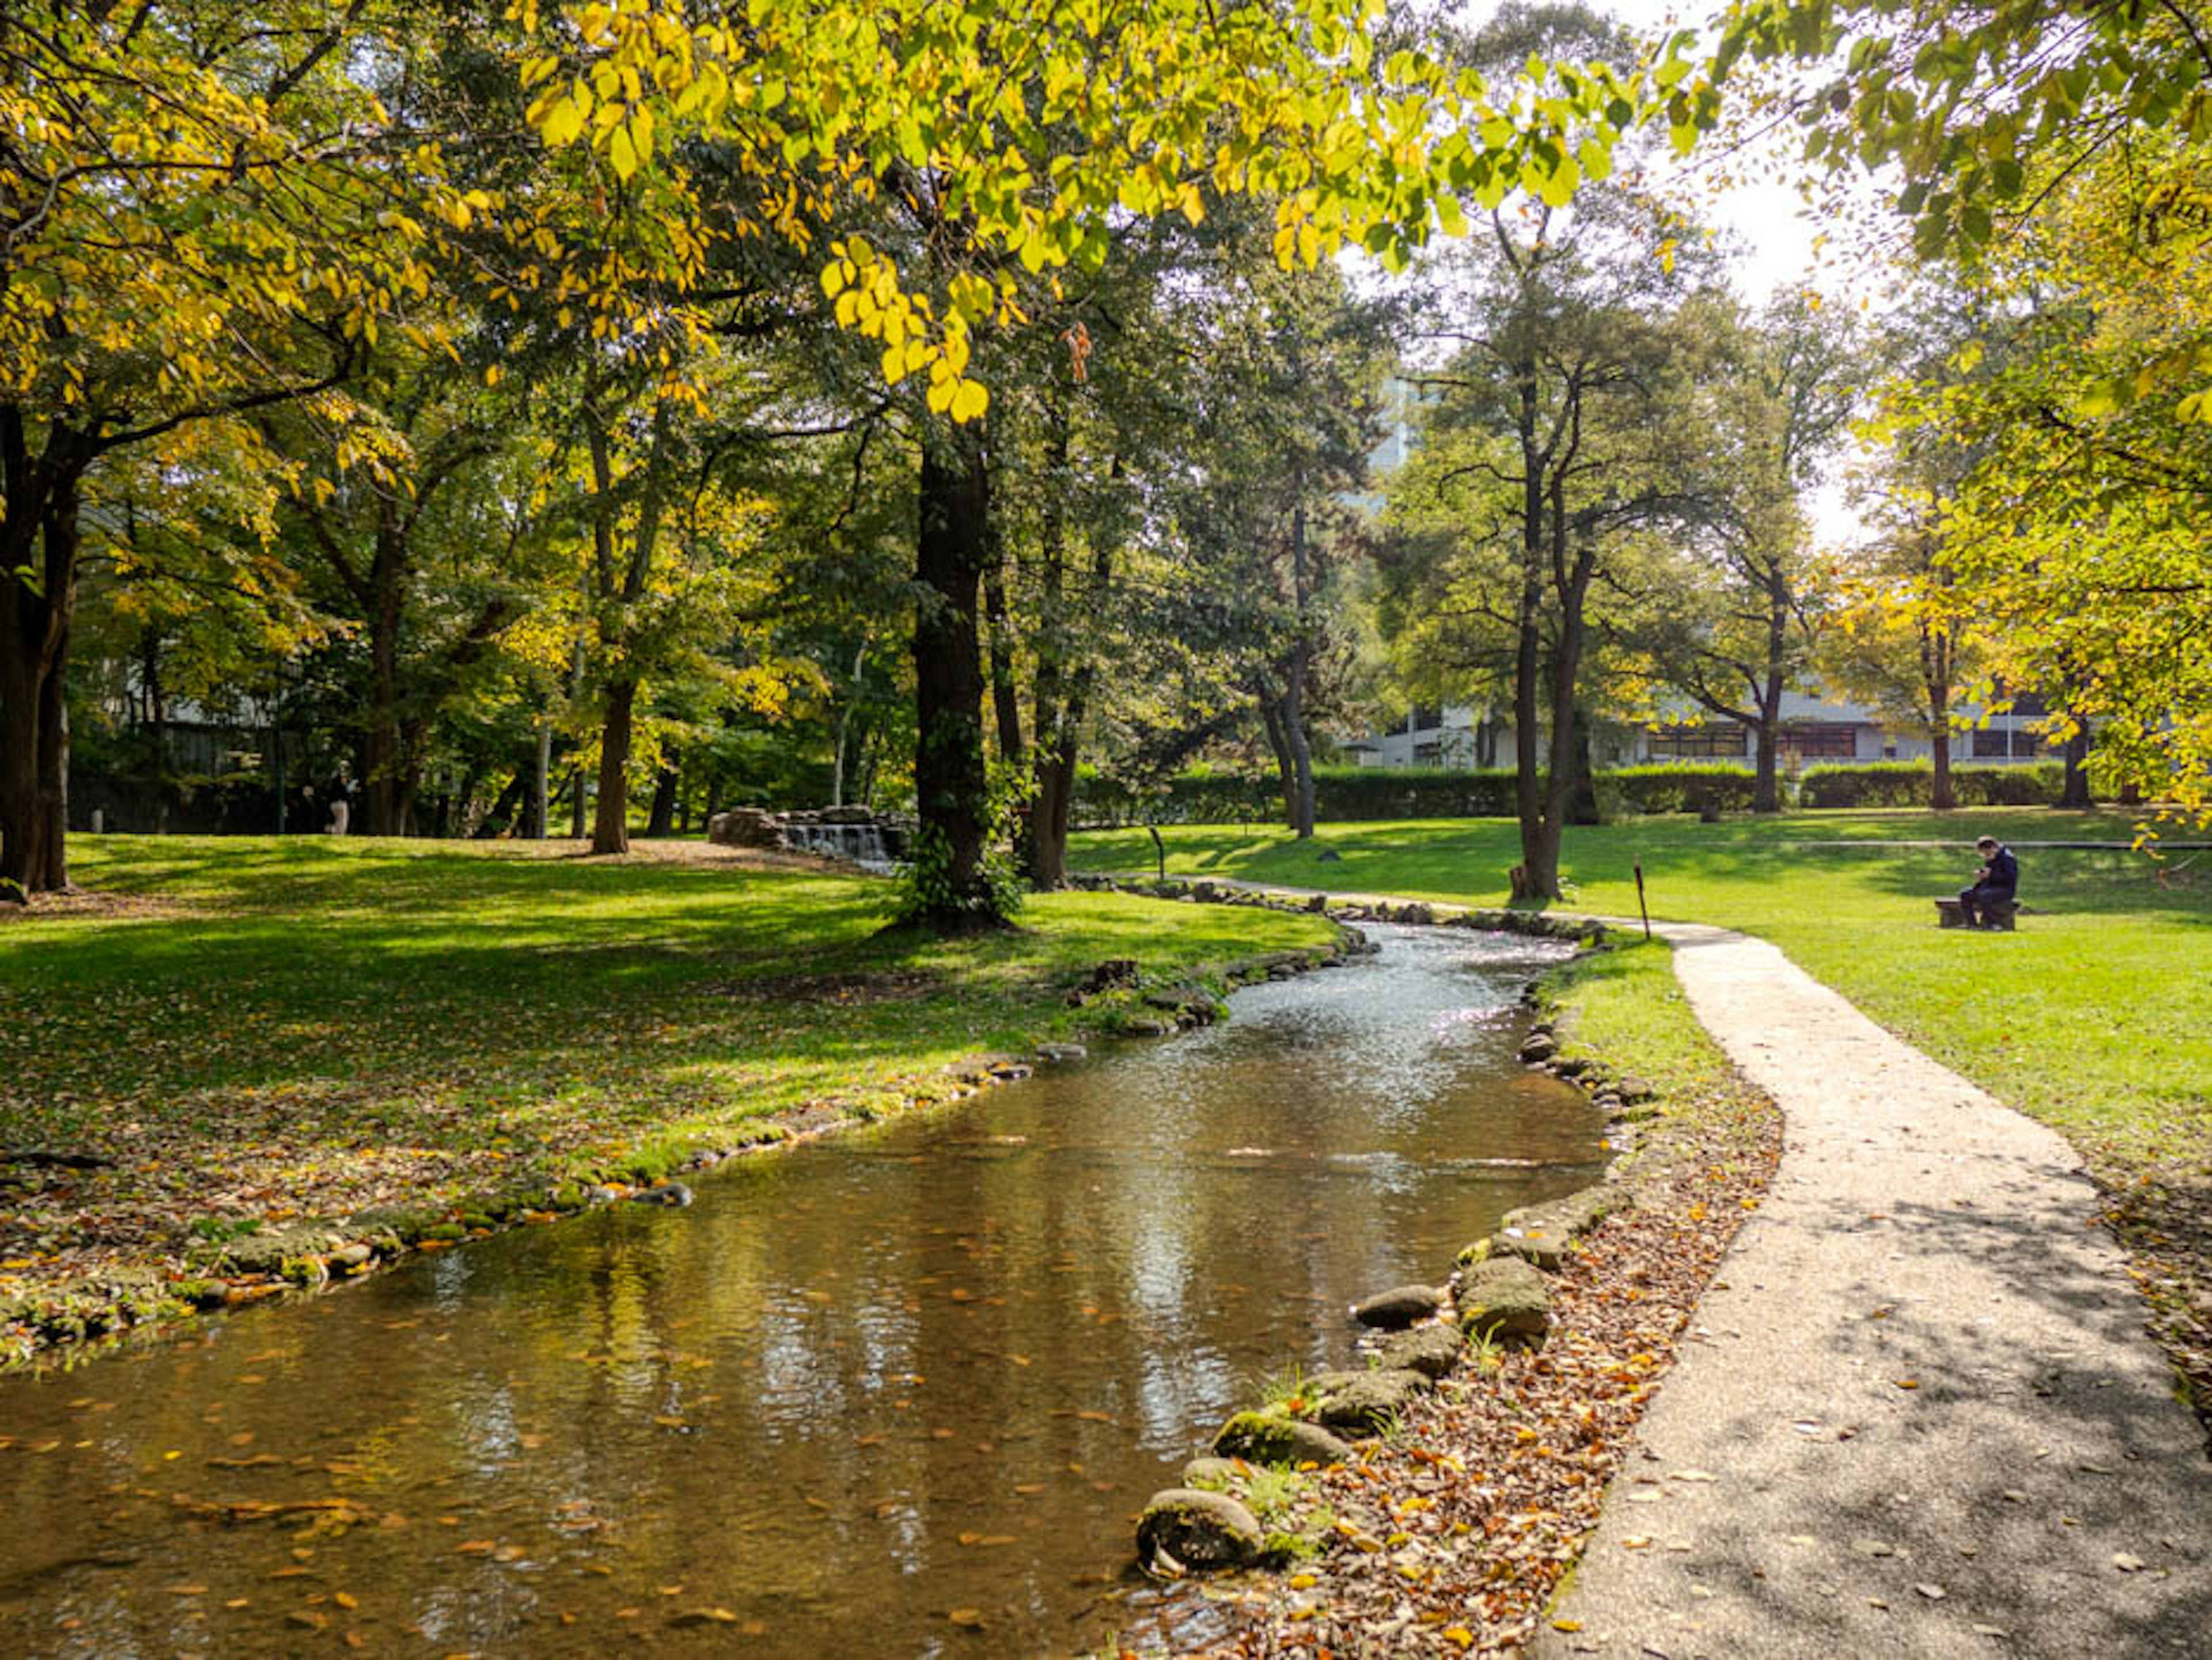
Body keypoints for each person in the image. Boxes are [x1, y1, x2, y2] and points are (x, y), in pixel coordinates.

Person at [1959, 834, 2018, 928]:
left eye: (1986, 853)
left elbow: (2010, 878)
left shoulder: (2008, 858)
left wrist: (1991, 875)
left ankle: (1993, 923)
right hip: (1990, 887)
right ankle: (1971, 924)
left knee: (1984, 896)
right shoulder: (1991, 857)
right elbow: (1990, 874)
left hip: (2005, 890)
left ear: (1993, 848)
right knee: (1965, 894)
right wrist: (1982, 878)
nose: (1985, 856)